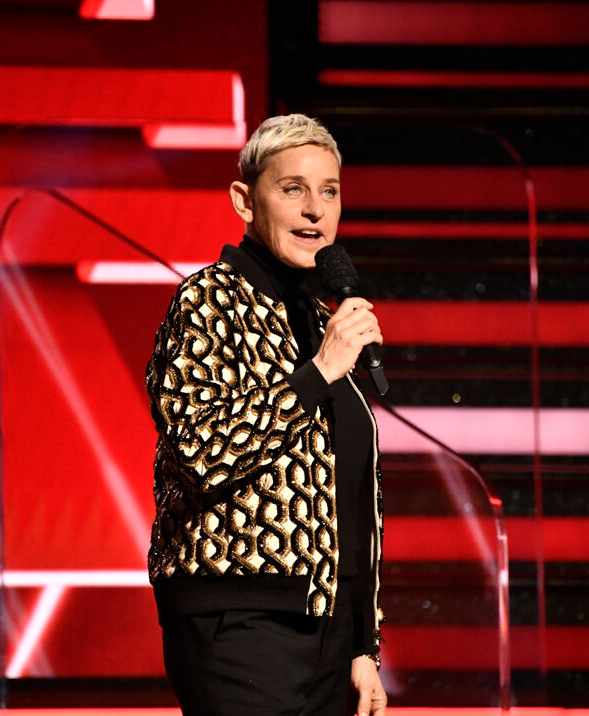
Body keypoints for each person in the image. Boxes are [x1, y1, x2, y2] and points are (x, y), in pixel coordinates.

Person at [146, 114, 386, 715]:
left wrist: (364, 645)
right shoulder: (208, 302)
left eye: (328, 191)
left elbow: (351, 500)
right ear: (244, 201)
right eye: (293, 189)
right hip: (238, 623)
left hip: (328, 636)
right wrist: (317, 374)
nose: (314, 210)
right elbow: (203, 455)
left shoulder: (318, 320)